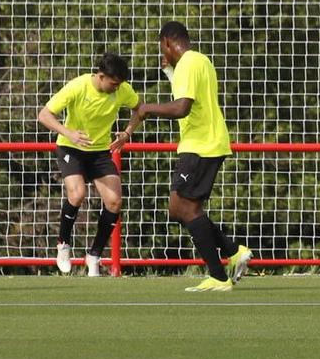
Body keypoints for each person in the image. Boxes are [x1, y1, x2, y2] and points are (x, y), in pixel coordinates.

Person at [113, 22, 250, 292]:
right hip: (210, 141)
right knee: (184, 209)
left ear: (166, 42)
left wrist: (146, 109)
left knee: (181, 208)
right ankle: (232, 252)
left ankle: (219, 276)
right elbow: (189, 93)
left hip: (200, 144)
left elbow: (182, 107)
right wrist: (168, 70)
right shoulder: (201, 60)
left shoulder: (187, 63)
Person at [38, 52, 137, 276]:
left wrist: (127, 132)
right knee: (77, 194)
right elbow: (44, 115)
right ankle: (63, 244)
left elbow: (140, 109)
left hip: (100, 152)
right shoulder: (78, 86)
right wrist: (68, 132)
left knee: (114, 201)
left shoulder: (122, 89)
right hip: (71, 148)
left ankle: (93, 256)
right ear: (101, 76)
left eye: (119, 84)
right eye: (113, 83)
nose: (116, 88)